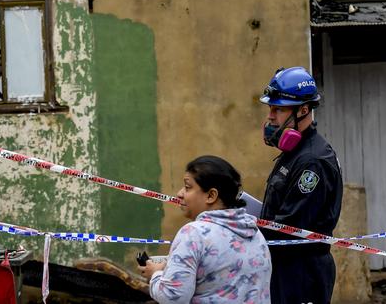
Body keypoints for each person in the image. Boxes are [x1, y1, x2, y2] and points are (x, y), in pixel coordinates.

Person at [258, 67, 343, 304]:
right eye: (270, 108)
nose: (271, 116)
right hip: (284, 269)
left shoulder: (312, 161)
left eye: (279, 109)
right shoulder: (294, 153)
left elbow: (290, 228)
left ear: (303, 110)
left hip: (302, 273)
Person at [139, 155, 271, 303]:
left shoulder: (193, 233)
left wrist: (156, 274)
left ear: (211, 195)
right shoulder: (255, 232)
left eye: (188, 187)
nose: (179, 193)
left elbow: (172, 297)